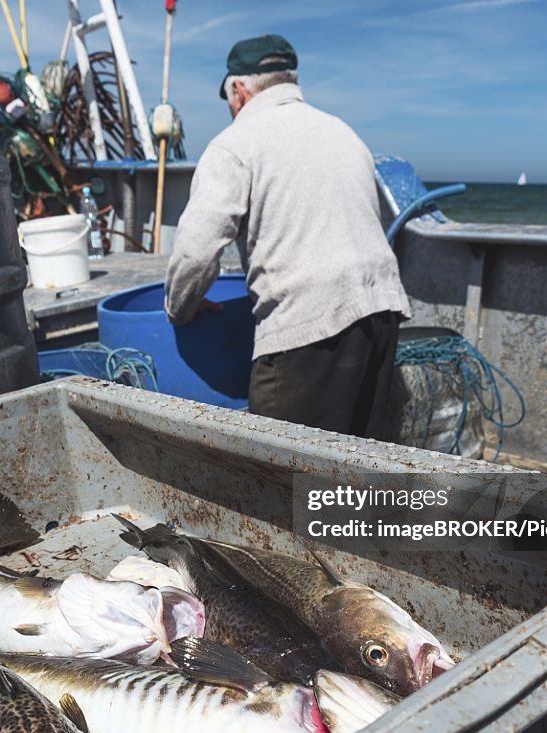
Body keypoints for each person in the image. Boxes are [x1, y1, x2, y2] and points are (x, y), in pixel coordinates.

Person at [164, 34, 412, 438]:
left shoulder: (234, 144)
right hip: (380, 310)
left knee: (283, 476)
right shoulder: (344, 134)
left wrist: (179, 307)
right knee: (358, 459)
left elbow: (194, 253)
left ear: (239, 90)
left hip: (307, 328)